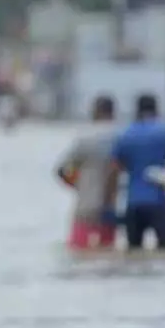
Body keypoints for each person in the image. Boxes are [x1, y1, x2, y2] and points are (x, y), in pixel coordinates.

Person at [105, 93, 165, 250]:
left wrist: (111, 202)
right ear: (157, 109)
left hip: (133, 203)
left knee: (133, 255)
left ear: (136, 111)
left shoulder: (124, 135)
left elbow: (114, 170)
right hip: (159, 202)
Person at [56, 95, 118, 249]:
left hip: (86, 204)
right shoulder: (121, 137)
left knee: (78, 250)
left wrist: (76, 185)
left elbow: (61, 170)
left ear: (95, 112)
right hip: (111, 204)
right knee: (107, 251)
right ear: (113, 113)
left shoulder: (84, 139)